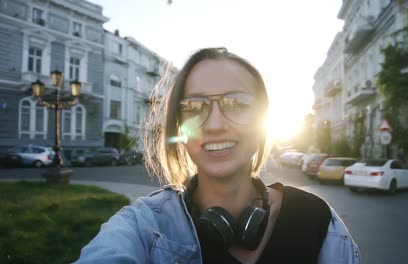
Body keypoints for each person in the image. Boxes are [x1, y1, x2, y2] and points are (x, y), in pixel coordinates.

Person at [75, 47, 360, 263]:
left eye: (235, 103)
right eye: (194, 107)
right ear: (179, 127)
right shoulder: (142, 227)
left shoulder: (318, 221)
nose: (214, 125)